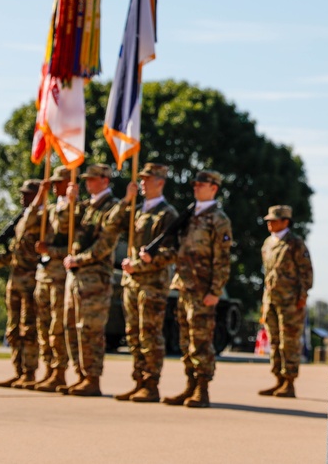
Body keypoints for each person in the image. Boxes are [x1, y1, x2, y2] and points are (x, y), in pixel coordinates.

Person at [143, 169, 233, 409]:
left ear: (213, 187)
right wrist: (154, 257)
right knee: (186, 340)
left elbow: (223, 260)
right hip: (184, 286)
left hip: (203, 290)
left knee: (201, 340)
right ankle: (190, 385)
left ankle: (202, 389)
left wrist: (215, 291)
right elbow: (177, 251)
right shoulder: (189, 215)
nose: (196, 187)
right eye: (195, 184)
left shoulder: (218, 219)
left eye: (201, 185)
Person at [59, 163, 126, 397]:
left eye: (92, 179)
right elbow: (62, 227)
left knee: (90, 329)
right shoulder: (86, 207)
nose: (87, 183)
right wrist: (70, 203)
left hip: (95, 277)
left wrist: (79, 259)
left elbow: (105, 243)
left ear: (105, 181)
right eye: (86, 179)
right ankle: (80, 375)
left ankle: (92, 377)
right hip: (76, 276)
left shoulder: (112, 207)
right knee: (71, 327)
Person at [116, 162, 178, 403]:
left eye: (146, 179)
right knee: (133, 334)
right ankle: (139, 381)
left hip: (152, 283)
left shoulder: (167, 214)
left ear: (160, 182)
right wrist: (125, 199)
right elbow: (111, 225)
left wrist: (140, 265)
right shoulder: (137, 210)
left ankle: (151, 384)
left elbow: (171, 252)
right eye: (141, 179)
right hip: (132, 282)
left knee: (149, 334)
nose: (141, 183)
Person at [0, 179, 44, 389]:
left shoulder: (42, 218)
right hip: (15, 280)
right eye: (22, 193)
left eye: (28, 194)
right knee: (13, 329)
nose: (22, 197)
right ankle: (19, 371)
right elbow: (15, 254)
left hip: (31, 280)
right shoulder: (21, 219)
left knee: (28, 329)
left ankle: (30, 372)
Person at [257, 205, 313, 399]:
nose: (269, 223)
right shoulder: (268, 243)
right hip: (271, 299)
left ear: (285, 221)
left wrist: (302, 296)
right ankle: (278, 380)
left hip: (291, 301)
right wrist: (265, 302)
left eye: (273, 220)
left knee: (289, 342)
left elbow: (306, 272)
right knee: (274, 341)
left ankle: (289, 383)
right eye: (268, 221)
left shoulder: (295, 243)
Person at [31, 165, 72, 392]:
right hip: (44, 274)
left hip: (59, 275)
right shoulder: (51, 207)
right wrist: (41, 194)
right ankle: (47, 369)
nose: (55, 186)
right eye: (54, 183)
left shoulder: (73, 209)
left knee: (57, 326)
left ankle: (59, 372)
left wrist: (50, 251)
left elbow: (69, 243)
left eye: (59, 183)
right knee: (43, 326)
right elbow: (30, 220)